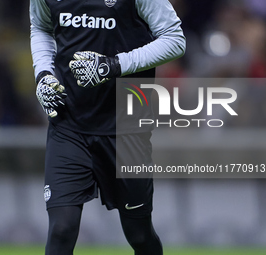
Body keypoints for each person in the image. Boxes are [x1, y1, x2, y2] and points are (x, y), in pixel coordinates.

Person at [29, 0, 186, 254]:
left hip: (127, 127)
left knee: (139, 233)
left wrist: (113, 65)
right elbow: (41, 27)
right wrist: (43, 74)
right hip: (69, 124)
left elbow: (175, 40)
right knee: (62, 229)